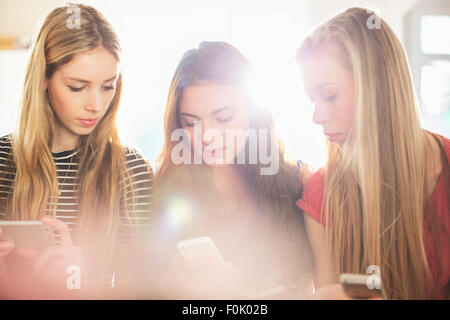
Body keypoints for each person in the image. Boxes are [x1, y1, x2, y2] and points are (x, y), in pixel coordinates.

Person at [0, 4, 153, 299]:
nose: (95, 105)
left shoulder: (131, 171)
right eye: (77, 87)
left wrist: (82, 284)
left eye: (108, 86)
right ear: (43, 79)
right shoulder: (3, 162)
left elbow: (146, 291)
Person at [296, 7, 449, 299]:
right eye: (312, 99)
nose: (316, 116)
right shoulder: (322, 193)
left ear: (376, 87)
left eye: (329, 96)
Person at [152, 41, 313, 299]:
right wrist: (171, 284)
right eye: (191, 123)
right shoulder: (163, 192)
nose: (207, 136)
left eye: (224, 118)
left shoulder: (298, 184)